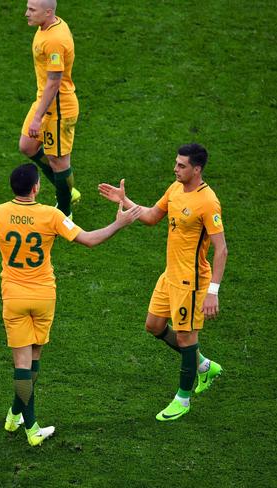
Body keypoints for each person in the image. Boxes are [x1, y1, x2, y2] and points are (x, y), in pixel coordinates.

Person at [0, 163, 142, 446]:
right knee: (32, 361)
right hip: (44, 296)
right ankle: (28, 425)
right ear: (36, 187)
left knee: (23, 364)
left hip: (14, 296)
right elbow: (89, 240)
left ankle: (16, 414)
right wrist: (118, 223)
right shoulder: (51, 215)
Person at [98, 143, 228, 421]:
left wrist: (212, 292)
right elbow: (152, 217)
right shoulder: (175, 189)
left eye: (181, 166)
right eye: (176, 164)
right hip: (169, 275)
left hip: (191, 283)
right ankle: (204, 365)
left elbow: (222, 249)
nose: (175, 169)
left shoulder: (208, 202)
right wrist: (126, 201)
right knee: (153, 325)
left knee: (185, 336)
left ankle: (183, 399)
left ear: (197, 169)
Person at [19, 0, 80, 218]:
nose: (26, 13)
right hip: (44, 102)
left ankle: (65, 212)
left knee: (59, 162)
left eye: (31, 10)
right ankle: (65, 188)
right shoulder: (46, 26)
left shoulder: (55, 40)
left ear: (48, 12)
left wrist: (38, 118)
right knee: (27, 146)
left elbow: (54, 82)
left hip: (59, 109)